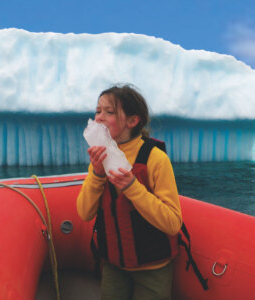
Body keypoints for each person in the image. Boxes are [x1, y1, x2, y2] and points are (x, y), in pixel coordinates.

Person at [76, 84, 182, 300]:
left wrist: (132, 187)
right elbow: (85, 213)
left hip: (153, 269)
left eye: (109, 112)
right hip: (114, 266)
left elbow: (173, 223)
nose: (99, 118)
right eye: (98, 111)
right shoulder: (101, 158)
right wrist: (97, 174)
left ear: (133, 121)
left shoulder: (155, 159)